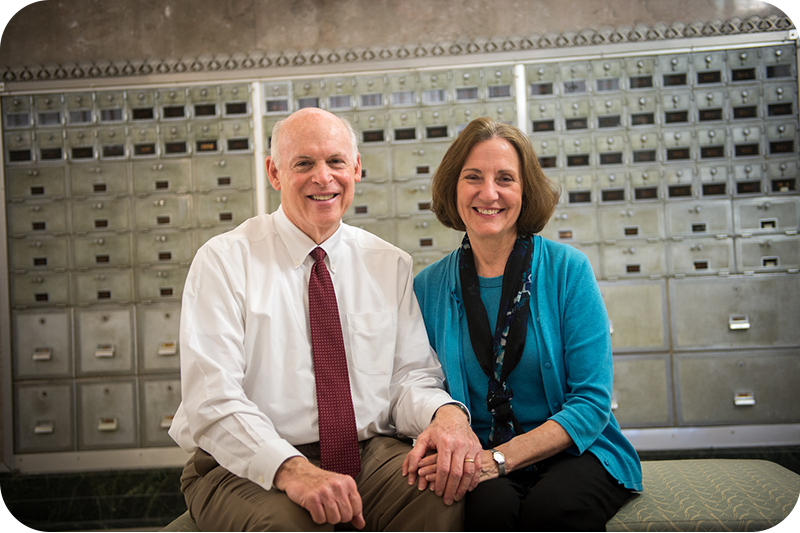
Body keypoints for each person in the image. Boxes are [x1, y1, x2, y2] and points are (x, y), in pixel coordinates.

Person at [169, 107, 481, 533]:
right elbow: (213, 399)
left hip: (366, 453)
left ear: (355, 168)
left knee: (438, 495)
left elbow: (409, 378)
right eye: (304, 164)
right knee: (292, 524)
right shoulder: (224, 261)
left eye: (335, 161)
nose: (323, 177)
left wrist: (446, 415)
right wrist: (292, 469)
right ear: (274, 173)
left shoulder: (388, 263)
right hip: (246, 462)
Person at [411, 117, 643, 533]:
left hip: (577, 451)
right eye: (473, 177)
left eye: (505, 178)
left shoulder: (568, 270)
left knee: (552, 511)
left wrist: (502, 458)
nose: (489, 193)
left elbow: (592, 401)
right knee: (487, 511)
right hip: (480, 454)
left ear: (524, 190)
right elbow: (419, 385)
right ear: (453, 187)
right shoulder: (427, 287)